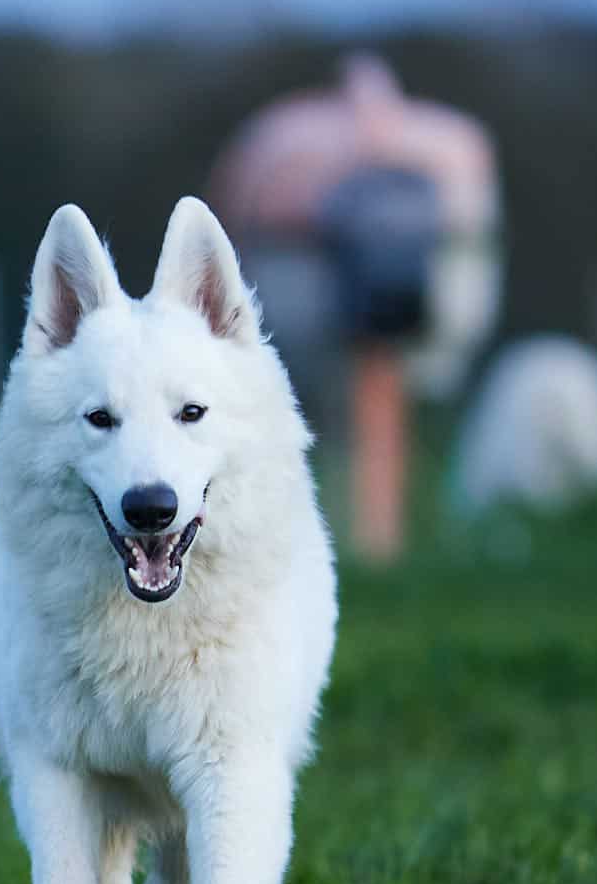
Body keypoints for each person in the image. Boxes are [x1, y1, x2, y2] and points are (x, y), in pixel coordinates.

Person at [210, 55, 501, 560]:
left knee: (374, 390)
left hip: (386, 297)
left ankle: (374, 540)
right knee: (345, 405)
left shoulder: (281, 133)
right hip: (327, 291)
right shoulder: (286, 134)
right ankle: (364, 538)